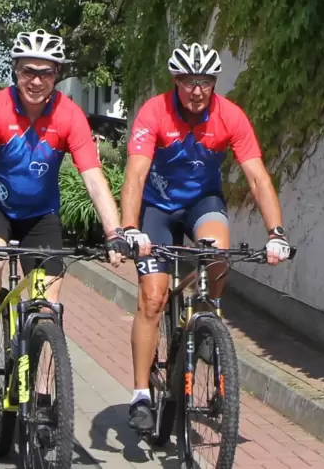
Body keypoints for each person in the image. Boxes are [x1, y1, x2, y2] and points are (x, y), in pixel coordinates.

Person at [119, 42, 292, 433]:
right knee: (152, 297)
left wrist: (276, 232)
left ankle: (210, 318)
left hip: (203, 201)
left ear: (214, 83)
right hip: (157, 208)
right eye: (189, 81)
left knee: (217, 253)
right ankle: (141, 393)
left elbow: (256, 176)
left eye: (206, 82)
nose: (197, 90)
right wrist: (130, 227)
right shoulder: (154, 112)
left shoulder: (230, 116)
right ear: (176, 81)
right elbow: (136, 173)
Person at [0, 28, 130, 374]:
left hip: (41, 214)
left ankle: (43, 395)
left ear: (56, 75)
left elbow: (93, 177)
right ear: (15, 70)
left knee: (47, 309)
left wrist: (114, 232)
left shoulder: (69, 115)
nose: (35, 80)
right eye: (27, 71)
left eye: (45, 72)